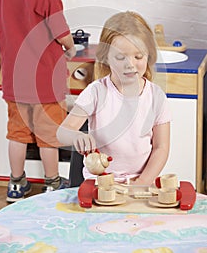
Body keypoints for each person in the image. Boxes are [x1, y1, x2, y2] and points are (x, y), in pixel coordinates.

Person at [0, 0, 76, 202]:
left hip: (15, 81)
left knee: (17, 134)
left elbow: (1, 28)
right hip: (45, 82)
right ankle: (52, 182)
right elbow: (61, 31)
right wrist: (70, 47)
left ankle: (16, 184)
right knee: (48, 135)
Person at [57, 11, 171, 186]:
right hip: (99, 183)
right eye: (120, 57)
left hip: (139, 184)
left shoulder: (156, 97)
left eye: (138, 56)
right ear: (105, 58)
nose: (130, 64)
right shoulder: (96, 92)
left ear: (148, 55)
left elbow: (161, 148)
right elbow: (62, 132)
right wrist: (76, 137)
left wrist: (143, 182)